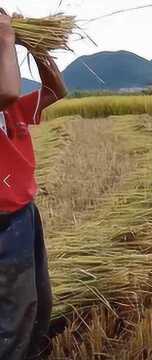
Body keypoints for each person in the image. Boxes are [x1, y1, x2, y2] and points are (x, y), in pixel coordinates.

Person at [0, 9, 67, 360]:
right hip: (3, 222)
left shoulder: (14, 110)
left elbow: (56, 90)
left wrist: (36, 45)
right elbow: (8, 91)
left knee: (40, 301)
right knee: (16, 315)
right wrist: (9, 38)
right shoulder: (6, 97)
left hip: (24, 215)